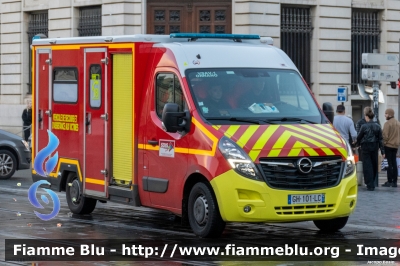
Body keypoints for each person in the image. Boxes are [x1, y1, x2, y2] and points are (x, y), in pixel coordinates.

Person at [356, 107, 385, 191]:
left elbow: (359, 137)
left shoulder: (364, 126)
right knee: (374, 164)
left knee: (367, 165)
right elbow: (380, 139)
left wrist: (356, 144)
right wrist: (383, 151)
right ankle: (372, 182)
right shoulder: (377, 126)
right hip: (375, 147)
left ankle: (369, 184)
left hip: (365, 147)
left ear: (366, 116)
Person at [382, 108, 400, 187]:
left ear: (389, 114)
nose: (385, 115)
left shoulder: (387, 124)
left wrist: (383, 144)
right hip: (395, 146)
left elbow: (385, 136)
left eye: (386, 114)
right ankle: (395, 181)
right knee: (394, 163)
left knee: (389, 163)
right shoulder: (398, 123)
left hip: (388, 145)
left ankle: (389, 180)